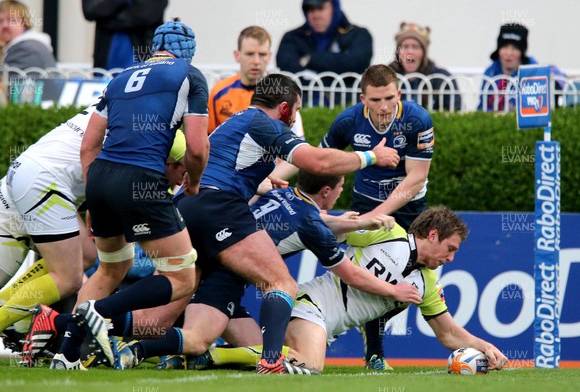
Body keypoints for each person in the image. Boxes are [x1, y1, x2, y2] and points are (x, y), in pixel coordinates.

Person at [26, 19, 210, 371]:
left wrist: (94, 197)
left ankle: (66, 354)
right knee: (182, 277)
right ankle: (98, 313)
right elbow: (198, 149)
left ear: (155, 45)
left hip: (101, 178)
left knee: (111, 269)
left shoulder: (121, 77)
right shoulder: (189, 74)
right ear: (188, 52)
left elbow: (88, 147)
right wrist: (195, 182)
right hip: (140, 179)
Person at [105, 171, 419, 372]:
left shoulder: (282, 194)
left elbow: (310, 218)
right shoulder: (309, 221)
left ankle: (169, 352)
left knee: (253, 347)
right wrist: (394, 291)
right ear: (327, 190)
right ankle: (128, 344)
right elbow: (348, 272)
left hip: (215, 254)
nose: (339, 194)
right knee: (196, 338)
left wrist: (358, 222)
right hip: (226, 272)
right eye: (339, 188)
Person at [191, 206, 509, 373]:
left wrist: (485, 346)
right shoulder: (388, 233)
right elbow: (319, 231)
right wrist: (350, 223)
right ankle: (214, 354)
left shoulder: (426, 284)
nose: (451, 258)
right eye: (449, 248)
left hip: (323, 327)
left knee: (286, 362)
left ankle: (203, 348)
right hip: (307, 304)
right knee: (311, 366)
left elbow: (448, 334)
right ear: (433, 234)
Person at [320, 64, 434, 370]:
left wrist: (375, 216)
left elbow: (416, 179)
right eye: (375, 100)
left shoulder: (417, 119)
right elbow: (319, 162)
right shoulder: (348, 121)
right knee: (374, 275)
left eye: (389, 98)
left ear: (399, 93)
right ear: (362, 99)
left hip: (409, 209)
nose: (383, 107)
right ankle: (375, 353)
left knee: (413, 278)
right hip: (365, 201)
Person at [0, 102, 100, 363]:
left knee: (86, 254)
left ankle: (2, 303)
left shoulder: (118, 98)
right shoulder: (140, 112)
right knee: (69, 277)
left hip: (22, 176)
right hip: (44, 183)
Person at [207, 25, 304, 181]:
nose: (256, 61)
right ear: (237, 55)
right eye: (250, 54)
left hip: (268, 182)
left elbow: (297, 154)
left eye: (262, 54)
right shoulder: (219, 92)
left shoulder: (284, 92)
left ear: (270, 56)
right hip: (226, 179)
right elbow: (208, 143)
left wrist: (264, 180)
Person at [276, 0, 373, 106]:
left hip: (346, 106)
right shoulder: (293, 37)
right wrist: (336, 65)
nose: (316, 15)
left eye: (321, 8)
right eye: (311, 10)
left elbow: (357, 63)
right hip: (301, 106)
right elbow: (286, 65)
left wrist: (310, 59)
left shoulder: (358, 35)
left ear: (334, 8)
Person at [478, 23, 566, 112]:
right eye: (504, 47)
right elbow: (482, 107)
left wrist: (552, 80)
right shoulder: (490, 73)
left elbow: (560, 80)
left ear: (522, 53)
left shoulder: (533, 70)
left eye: (515, 48)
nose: (509, 53)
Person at [388, 22, 461, 112]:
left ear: (424, 53)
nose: (410, 51)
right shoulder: (386, 76)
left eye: (415, 47)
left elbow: (455, 111)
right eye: (405, 47)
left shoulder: (442, 79)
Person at [82, 0, 168, 70]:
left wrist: (108, 21)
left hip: (143, 53)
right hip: (105, 59)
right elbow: (91, 9)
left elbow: (146, 14)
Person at [0, 0, 57, 70]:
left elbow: (12, 79)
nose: (4, 25)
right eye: (0, 21)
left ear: (24, 24)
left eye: (12, 20)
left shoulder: (26, 50)